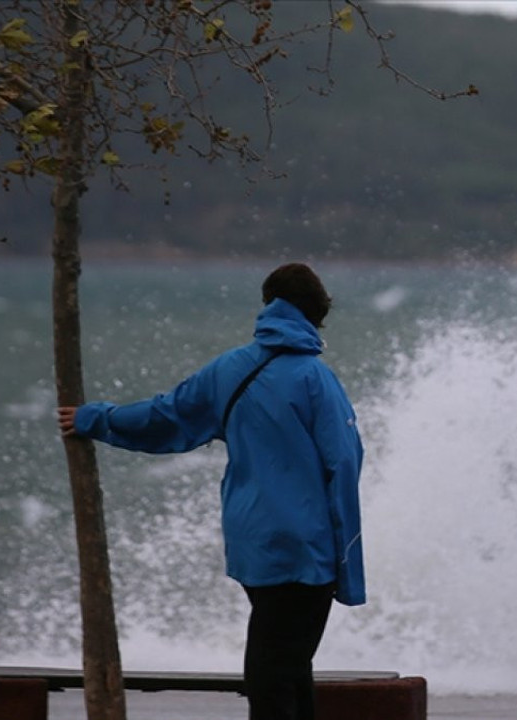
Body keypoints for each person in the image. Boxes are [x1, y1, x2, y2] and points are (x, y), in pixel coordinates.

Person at [57, 263, 365, 720]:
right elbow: (344, 463)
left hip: (253, 542)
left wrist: (95, 418)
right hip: (305, 546)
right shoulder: (315, 379)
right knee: (277, 671)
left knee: (285, 666)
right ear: (316, 313)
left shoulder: (230, 369)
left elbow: (164, 417)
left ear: (269, 306)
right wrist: (348, 564)